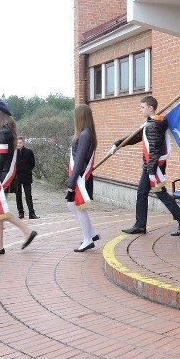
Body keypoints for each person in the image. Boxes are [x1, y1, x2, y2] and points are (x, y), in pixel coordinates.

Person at [113, 95, 180, 237]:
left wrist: (150, 170)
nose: (140, 110)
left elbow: (155, 150)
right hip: (151, 166)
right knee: (143, 193)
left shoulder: (153, 125)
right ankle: (140, 225)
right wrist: (118, 144)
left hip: (153, 166)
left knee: (159, 193)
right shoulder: (150, 124)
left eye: (142, 107)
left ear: (151, 108)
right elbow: (136, 137)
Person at [0, 99, 37, 255]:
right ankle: (0, 243)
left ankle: (24, 232)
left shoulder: (3, 132)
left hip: (0, 176)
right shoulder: (1, 131)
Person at [66, 104, 100, 252]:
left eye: (75, 116)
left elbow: (79, 160)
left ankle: (88, 239)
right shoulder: (85, 133)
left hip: (81, 178)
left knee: (78, 207)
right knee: (72, 205)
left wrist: (71, 183)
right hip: (79, 177)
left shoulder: (85, 135)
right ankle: (91, 233)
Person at [14, 137, 38, 219]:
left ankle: (32, 213)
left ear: (23, 143)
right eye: (17, 143)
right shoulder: (14, 153)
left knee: (28, 195)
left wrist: (27, 170)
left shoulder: (29, 152)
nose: (19, 144)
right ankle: (21, 212)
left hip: (26, 176)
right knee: (18, 195)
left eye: (20, 142)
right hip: (17, 177)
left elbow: (32, 164)